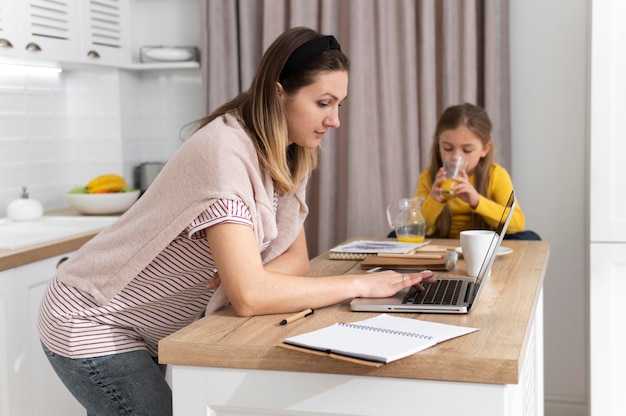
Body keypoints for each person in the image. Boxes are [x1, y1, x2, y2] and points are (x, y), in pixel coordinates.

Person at [38, 27, 436, 416]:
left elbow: (294, 262)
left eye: (339, 105)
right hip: (93, 320)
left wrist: (248, 278)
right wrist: (362, 283)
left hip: (148, 327)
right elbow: (250, 297)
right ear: (279, 93)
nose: (334, 120)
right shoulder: (224, 154)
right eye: (323, 103)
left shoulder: (289, 153)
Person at [416, 102, 540, 240]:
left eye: (467, 150)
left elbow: (517, 224)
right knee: (397, 234)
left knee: (530, 237)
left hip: (483, 245)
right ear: (438, 145)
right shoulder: (429, 177)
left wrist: (477, 201)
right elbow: (419, 228)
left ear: (485, 149)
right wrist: (434, 201)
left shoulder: (495, 175)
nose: (456, 157)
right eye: (447, 148)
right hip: (442, 243)